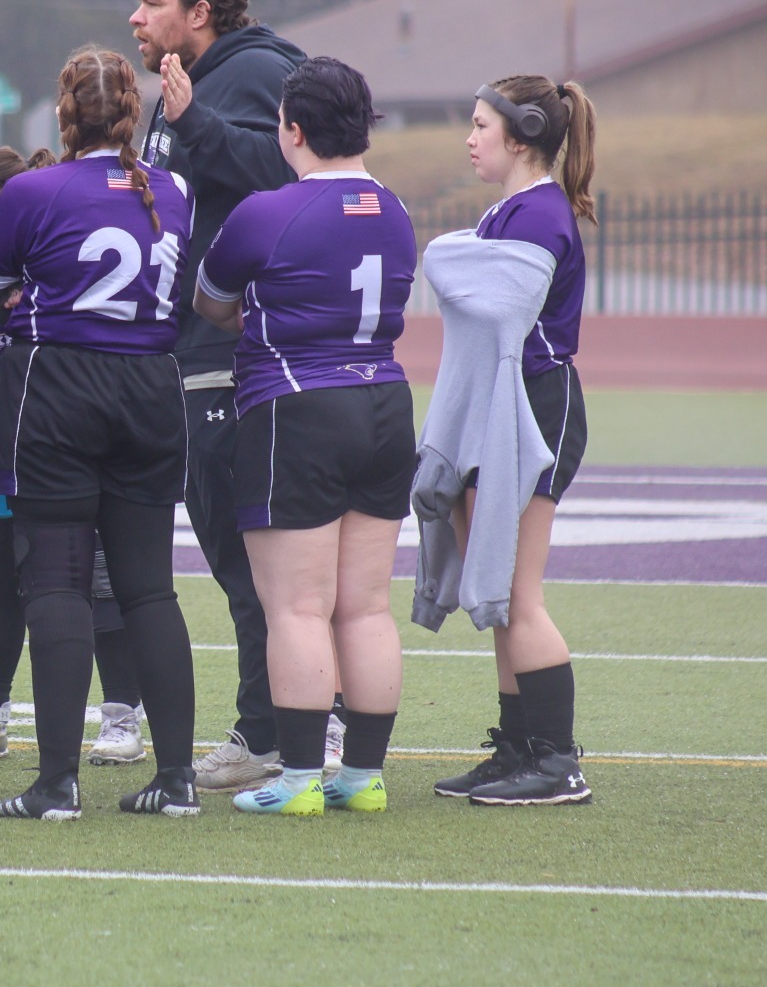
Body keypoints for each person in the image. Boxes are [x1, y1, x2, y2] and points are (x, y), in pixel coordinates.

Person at [0, 46, 201, 821]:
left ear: (64, 114)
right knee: (148, 589)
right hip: (148, 391)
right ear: (132, 112)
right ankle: (177, 780)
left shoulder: (33, 191)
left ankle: (58, 784)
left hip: (60, 391)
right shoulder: (173, 188)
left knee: (57, 586)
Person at [193, 57, 417, 816]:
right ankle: (363, 774)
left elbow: (212, 301)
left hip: (296, 405)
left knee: (295, 607)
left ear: (292, 129)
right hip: (384, 402)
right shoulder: (395, 207)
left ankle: (295, 778)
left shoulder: (266, 209)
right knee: (366, 606)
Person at [129, 0, 309, 790]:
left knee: (248, 551)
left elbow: (282, 170)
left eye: (151, 3)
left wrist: (194, 119)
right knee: (229, 545)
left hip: (235, 348)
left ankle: (276, 728)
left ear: (199, 11)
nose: (136, 17)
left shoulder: (259, 72)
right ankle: (284, 719)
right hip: (184, 343)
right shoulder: (176, 87)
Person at [411, 75, 597, 807]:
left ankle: (558, 761)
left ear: (521, 135)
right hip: (501, 408)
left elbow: (468, 284)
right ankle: (518, 746)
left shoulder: (538, 216)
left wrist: (445, 251)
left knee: (518, 593)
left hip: (533, 408)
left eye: (482, 124)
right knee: (496, 586)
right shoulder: (511, 211)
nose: (470, 136)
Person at [0, 147, 150, 768]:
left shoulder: (57, 262)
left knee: (100, 575)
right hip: (16, 430)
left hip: (86, 433)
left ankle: (121, 719)